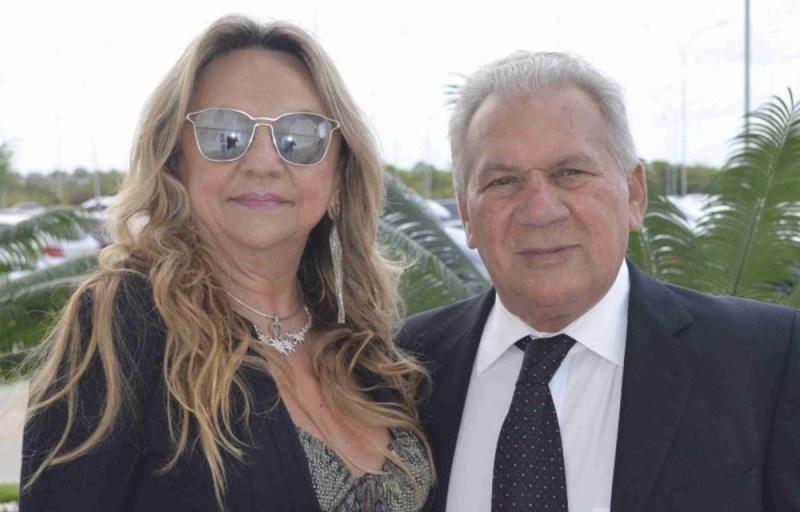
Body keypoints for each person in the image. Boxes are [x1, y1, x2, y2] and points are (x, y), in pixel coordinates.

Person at [20, 15, 433, 512]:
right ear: (175, 161)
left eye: (300, 137)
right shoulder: (122, 324)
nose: (263, 162)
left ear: (340, 178)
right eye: (224, 134)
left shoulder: (367, 344)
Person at [398, 50, 800, 512]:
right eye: (503, 181)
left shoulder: (767, 361)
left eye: (570, 173)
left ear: (634, 194)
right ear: (467, 214)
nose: (540, 210)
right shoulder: (399, 369)